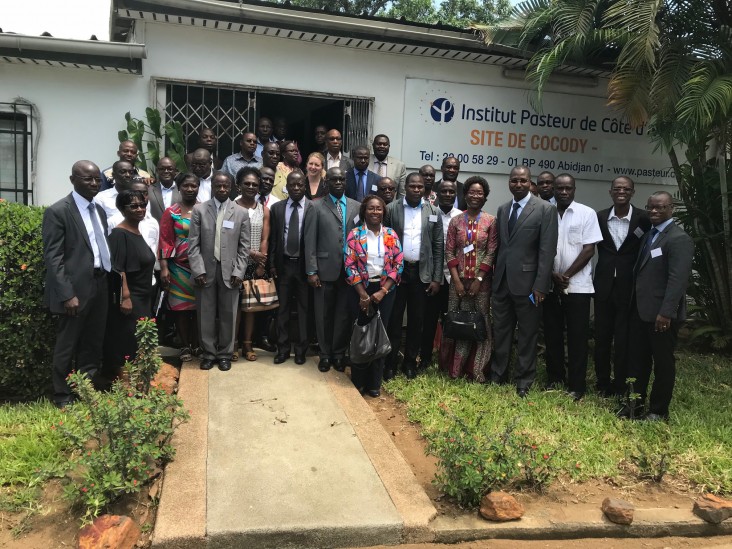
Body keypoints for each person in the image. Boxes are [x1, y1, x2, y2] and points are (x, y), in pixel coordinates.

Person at [619, 191, 693, 421]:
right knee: (637, 361)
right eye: (651, 207)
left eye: (660, 207)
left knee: (663, 364)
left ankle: (659, 411)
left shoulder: (678, 239)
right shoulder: (650, 234)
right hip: (641, 312)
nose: (654, 211)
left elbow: (677, 280)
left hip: (662, 316)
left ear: (671, 208)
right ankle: (634, 406)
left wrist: (666, 312)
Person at [43, 160, 111, 408]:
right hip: (75, 290)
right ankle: (62, 394)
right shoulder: (58, 211)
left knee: (93, 340)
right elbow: (54, 257)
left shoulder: (99, 210)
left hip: (100, 283)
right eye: (87, 179)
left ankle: (86, 387)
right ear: (73, 180)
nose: (94, 183)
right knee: (67, 342)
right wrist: (66, 293)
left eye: (96, 179)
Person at [491, 166, 558, 397]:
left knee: (528, 335)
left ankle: (524, 380)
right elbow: (502, 246)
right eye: (514, 180)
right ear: (509, 182)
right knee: (501, 332)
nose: (518, 184)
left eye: (523, 181)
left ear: (531, 183)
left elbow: (547, 251)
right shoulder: (502, 209)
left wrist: (541, 285)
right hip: (502, 283)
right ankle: (499, 374)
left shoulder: (545, 209)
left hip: (529, 285)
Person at [542, 174, 602, 400]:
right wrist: (551, 274)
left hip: (577, 287)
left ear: (574, 189)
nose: (563, 192)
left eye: (568, 188)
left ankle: (576, 385)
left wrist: (565, 275)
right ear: (554, 190)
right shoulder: (546, 212)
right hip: (550, 285)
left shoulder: (587, 213)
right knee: (552, 334)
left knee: (577, 338)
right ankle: (554, 378)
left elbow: (589, 250)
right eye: (560, 188)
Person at [593, 176, 650, 396]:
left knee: (623, 338)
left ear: (633, 192)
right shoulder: (599, 217)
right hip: (604, 286)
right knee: (602, 337)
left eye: (626, 189)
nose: (621, 192)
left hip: (629, 288)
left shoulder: (644, 219)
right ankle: (602, 382)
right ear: (610, 192)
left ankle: (620, 384)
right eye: (617, 188)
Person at [384, 172, 444, 379]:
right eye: (413, 186)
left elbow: (438, 246)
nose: (417, 190)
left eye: (420, 187)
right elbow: (385, 242)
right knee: (394, 319)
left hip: (421, 273)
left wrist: (436, 277)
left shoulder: (433, 211)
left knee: (417, 321)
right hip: (397, 274)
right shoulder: (392, 209)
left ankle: (410, 362)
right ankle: (390, 363)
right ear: (405, 187)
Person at [188, 172, 250, 372]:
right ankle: (208, 353)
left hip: (230, 272)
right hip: (205, 271)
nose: (222, 189)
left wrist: (239, 271)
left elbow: (244, 247)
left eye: (226, 186)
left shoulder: (241, 213)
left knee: (228, 314)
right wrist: (198, 269)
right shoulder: (199, 210)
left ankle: (224, 353)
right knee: (205, 314)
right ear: (212, 187)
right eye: (218, 186)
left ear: (231, 187)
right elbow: (193, 244)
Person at [344, 195, 404, 397]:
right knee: (361, 334)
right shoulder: (355, 234)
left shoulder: (390, 235)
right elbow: (349, 265)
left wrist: (383, 291)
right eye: (371, 208)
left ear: (383, 212)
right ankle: (359, 381)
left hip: (385, 290)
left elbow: (398, 264)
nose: (375, 212)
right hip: (360, 290)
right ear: (364, 211)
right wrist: (362, 295)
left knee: (380, 335)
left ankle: (374, 383)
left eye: (379, 209)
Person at [440, 176, 498, 381]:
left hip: (481, 284)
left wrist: (479, 280)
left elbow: (491, 252)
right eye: (471, 192)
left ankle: (479, 371)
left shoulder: (491, 221)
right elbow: (449, 252)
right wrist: (456, 281)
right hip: (458, 282)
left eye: (479, 193)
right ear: (465, 195)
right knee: (457, 322)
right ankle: (454, 370)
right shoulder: (456, 221)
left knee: (482, 323)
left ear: (485, 197)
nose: (475, 196)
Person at [304, 167, 360, 373]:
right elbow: (309, 241)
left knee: (343, 315)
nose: (338, 182)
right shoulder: (316, 206)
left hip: (350, 272)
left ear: (346, 182)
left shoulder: (356, 207)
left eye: (341, 179)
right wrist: (311, 271)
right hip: (324, 270)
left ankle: (338, 354)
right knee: (323, 314)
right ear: (327, 183)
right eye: (334, 179)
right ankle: (325, 354)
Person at [105, 189, 156, 377]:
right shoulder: (119, 234)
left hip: (143, 295)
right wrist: (125, 296)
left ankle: (139, 378)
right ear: (122, 209)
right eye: (133, 206)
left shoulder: (137, 230)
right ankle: (124, 381)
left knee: (140, 338)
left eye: (142, 205)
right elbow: (118, 268)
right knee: (127, 339)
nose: (140, 209)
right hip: (131, 298)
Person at [269, 172, 312, 365]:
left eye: (300, 185)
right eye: (292, 185)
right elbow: (273, 239)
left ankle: (301, 350)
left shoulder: (313, 208)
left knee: (304, 310)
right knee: (282, 309)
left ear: (305, 186)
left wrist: (313, 269)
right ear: (286, 186)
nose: (296, 188)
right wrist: (271, 264)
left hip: (304, 267)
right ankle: (283, 349)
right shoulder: (277, 208)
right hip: (284, 265)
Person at [420, 179, 462, 368]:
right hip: (432, 278)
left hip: (455, 279)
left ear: (455, 194)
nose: (447, 194)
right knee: (428, 320)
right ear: (437, 192)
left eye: (451, 192)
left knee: (452, 320)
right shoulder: (429, 212)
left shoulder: (462, 216)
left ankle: (449, 361)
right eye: (443, 191)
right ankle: (426, 358)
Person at [159, 173, 200, 362]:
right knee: (181, 309)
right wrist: (165, 268)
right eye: (186, 186)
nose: (190, 189)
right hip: (178, 268)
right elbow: (165, 241)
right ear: (179, 187)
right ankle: (184, 346)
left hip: (200, 268)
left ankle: (197, 344)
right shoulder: (171, 212)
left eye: (194, 186)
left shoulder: (205, 209)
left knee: (198, 309)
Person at [233, 167, 271, 362]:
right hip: (234, 264)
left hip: (255, 265)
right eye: (246, 183)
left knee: (250, 307)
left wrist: (261, 262)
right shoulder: (230, 207)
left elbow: (265, 238)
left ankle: (247, 344)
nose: (250, 187)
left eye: (254, 184)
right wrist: (250, 253)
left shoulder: (263, 210)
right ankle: (233, 344)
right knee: (234, 306)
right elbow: (228, 238)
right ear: (239, 185)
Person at [370, 134, 406, 198]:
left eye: (385, 144)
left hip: (390, 206)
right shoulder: (365, 161)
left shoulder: (399, 166)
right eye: (379, 144)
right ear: (373, 146)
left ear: (389, 147)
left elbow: (401, 193)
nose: (382, 146)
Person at [149, 157, 180, 223]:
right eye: (162, 169)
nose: (166, 171)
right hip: (155, 231)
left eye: (170, 169)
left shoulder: (182, 191)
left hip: (176, 231)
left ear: (176, 171)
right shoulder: (149, 190)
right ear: (157, 171)